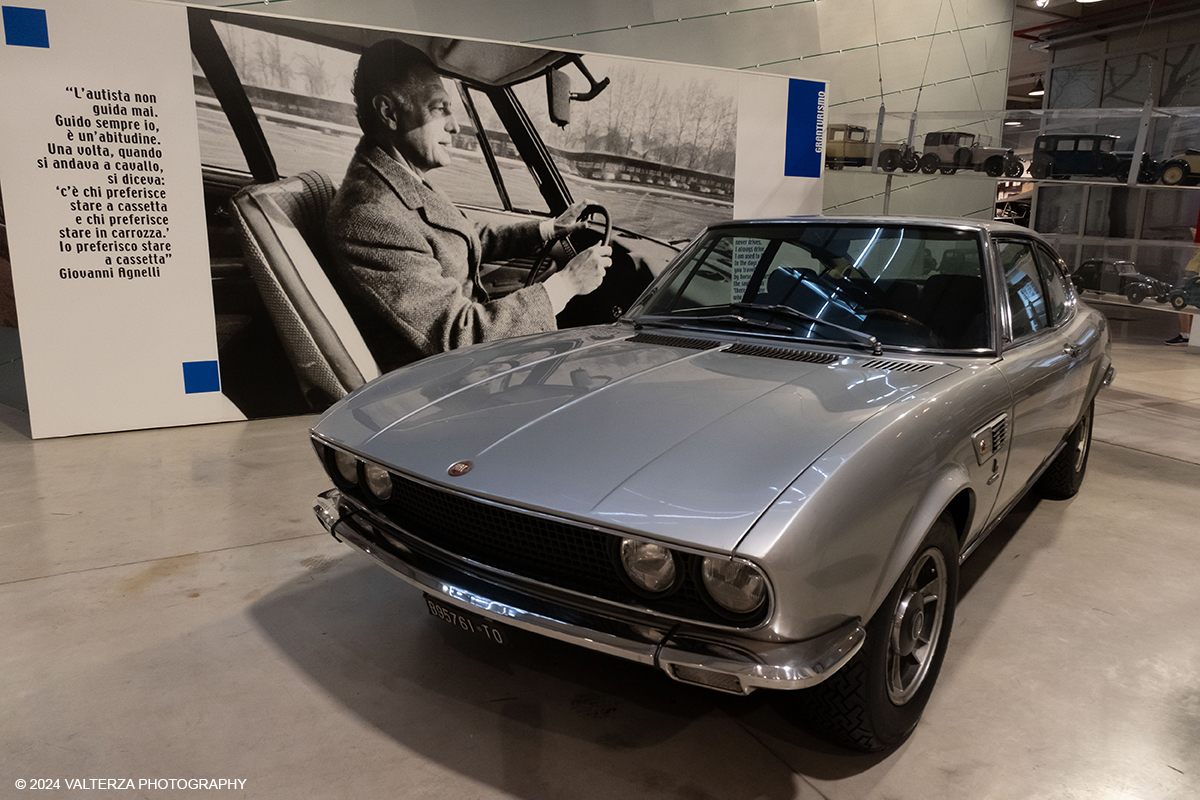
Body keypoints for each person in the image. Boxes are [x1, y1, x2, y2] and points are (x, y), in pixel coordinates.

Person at [326, 39, 612, 372]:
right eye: (439, 108)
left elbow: (461, 236)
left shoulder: (398, 181)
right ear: (389, 112)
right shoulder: (371, 217)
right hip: (444, 384)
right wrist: (566, 285)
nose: (455, 125)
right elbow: (458, 336)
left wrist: (549, 229)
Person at [1166, 231, 1198, 345]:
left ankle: (1186, 334)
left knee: (1184, 299)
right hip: (1193, 268)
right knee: (1189, 300)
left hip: (1195, 269)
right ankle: (1187, 334)